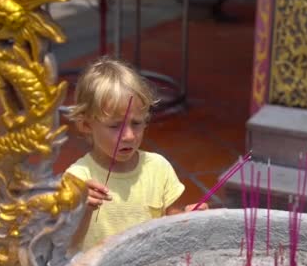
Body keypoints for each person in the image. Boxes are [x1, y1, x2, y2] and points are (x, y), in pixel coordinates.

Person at [65, 57, 207, 251]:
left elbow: (175, 225)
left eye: (137, 123)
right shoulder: (77, 179)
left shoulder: (158, 168)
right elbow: (67, 244)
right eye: (115, 126)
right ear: (86, 125)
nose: (129, 136)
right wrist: (83, 209)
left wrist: (191, 219)